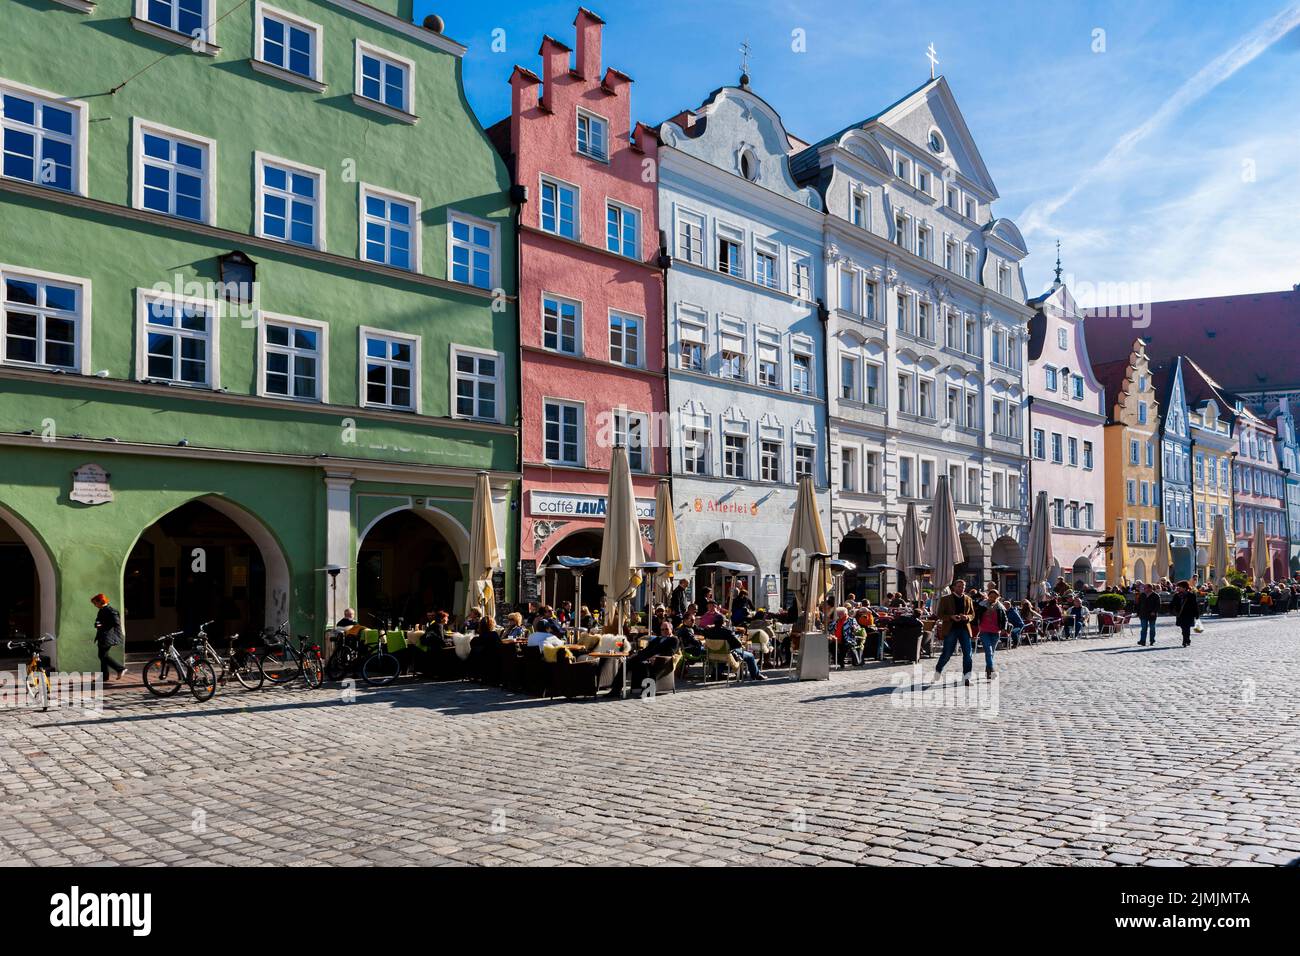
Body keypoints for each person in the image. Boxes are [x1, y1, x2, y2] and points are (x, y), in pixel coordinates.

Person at [932, 579, 976, 685]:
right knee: (947, 653)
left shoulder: (968, 599)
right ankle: (937, 672)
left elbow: (972, 614)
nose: (961, 588)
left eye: (963, 587)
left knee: (968, 654)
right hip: (951, 629)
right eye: (959, 586)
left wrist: (967, 617)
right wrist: (951, 617)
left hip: (964, 628)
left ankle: (966, 678)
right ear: (954, 587)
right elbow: (940, 614)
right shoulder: (945, 599)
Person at [91, 593, 127, 683]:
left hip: (108, 636)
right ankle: (104, 677)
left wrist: (102, 625)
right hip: (103, 636)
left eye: (95, 603)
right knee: (103, 656)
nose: (95, 605)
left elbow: (116, 622)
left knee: (103, 656)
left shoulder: (111, 610)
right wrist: (97, 624)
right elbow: (98, 621)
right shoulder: (102, 610)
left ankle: (120, 669)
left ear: (101, 601)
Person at [973, 587, 1007, 680]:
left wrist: (1004, 628)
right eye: (991, 597)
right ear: (988, 596)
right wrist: (976, 627)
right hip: (984, 631)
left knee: (992, 653)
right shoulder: (982, 605)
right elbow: (976, 617)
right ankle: (992, 670)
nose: (992, 599)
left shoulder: (1000, 607)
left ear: (998, 598)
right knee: (989, 651)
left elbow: (1005, 619)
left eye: (995, 597)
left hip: (996, 632)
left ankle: (988, 672)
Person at [1170, 580, 1198, 647]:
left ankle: (1185, 640)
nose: (1178, 588)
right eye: (1178, 587)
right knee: (1183, 628)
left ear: (1185, 588)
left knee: (1187, 628)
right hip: (1180, 614)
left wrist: (1196, 614)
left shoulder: (1191, 595)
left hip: (1189, 614)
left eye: (1179, 587)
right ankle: (1187, 639)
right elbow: (1172, 604)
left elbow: (1195, 605)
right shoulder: (1176, 595)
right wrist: (1171, 610)